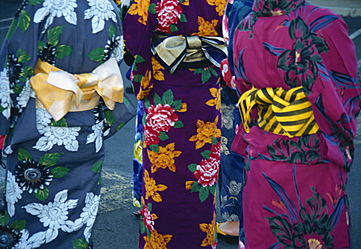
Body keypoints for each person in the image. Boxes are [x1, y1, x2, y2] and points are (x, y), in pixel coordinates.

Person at [229, 0, 361, 248]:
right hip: (312, 156)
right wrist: (343, 140)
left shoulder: (245, 25)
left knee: (263, 235)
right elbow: (345, 93)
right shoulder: (321, 23)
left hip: (260, 155)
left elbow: (242, 86)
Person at [0, 0, 135, 248]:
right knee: (79, 210)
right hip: (87, 129)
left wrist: (4, 124)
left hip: (40, 127)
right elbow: (115, 59)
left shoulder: (39, 5)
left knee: (31, 211)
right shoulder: (107, 6)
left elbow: (16, 66)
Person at [123, 0, 227, 248]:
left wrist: (140, 69)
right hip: (206, 94)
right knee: (200, 174)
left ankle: (160, 242)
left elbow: (134, 37)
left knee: (164, 173)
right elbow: (235, 32)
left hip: (165, 94)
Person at [217, 0, 254, 242]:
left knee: (233, 149)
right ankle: (242, 216)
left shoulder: (239, 6)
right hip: (259, 85)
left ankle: (234, 218)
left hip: (237, 84)